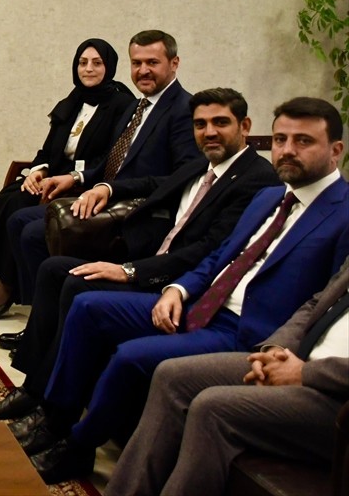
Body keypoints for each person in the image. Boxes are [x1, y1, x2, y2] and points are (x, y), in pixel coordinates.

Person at [20, 97, 349, 484]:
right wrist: (177, 289)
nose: (287, 150)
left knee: (130, 356)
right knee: (89, 306)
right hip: (201, 303)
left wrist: (284, 355)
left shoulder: (342, 213)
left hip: (245, 331)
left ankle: (77, 447)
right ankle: (55, 421)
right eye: (280, 139)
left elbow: (328, 306)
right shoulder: (271, 197)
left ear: (336, 150)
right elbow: (219, 258)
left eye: (303, 141)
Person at [0, 88, 279, 419]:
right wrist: (107, 187)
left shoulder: (256, 179)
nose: (209, 132)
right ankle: (33, 387)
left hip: (176, 280)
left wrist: (131, 270)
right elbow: (154, 184)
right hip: (147, 253)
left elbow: (211, 249)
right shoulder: (204, 163)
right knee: (54, 269)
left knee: (78, 286)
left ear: (244, 126)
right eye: (200, 124)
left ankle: (50, 404)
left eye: (220, 122)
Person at [106, 255, 349, 496]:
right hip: (298, 361)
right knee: (172, 376)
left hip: (335, 399)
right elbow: (316, 303)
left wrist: (303, 373)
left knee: (212, 409)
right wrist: (275, 349)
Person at [4, 29, 201, 314]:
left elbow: (181, 177)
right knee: (18, 219)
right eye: (137, 63)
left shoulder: (183, 109)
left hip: (138, 212)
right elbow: (112, 161)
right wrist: (75, 177)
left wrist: (110, 189)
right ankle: (42, 319)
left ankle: (50, 319)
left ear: (174, 63)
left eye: (152, 63)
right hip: (105, 198)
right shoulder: (137, 106)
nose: (143, 70)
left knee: (36, 232)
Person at [0, 38, 135, 318]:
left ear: (109, 67)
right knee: (8, 199)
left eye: (97, 63)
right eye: (82, 63)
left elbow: (111, 159)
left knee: (19, 209)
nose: (88, 69)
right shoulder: (72, 101)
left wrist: (74, 177)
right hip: (55, 177)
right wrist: (38, 171)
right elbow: (48, 150)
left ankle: (9, 287)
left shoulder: (122, 105)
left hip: (86, 183)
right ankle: (9, 282)